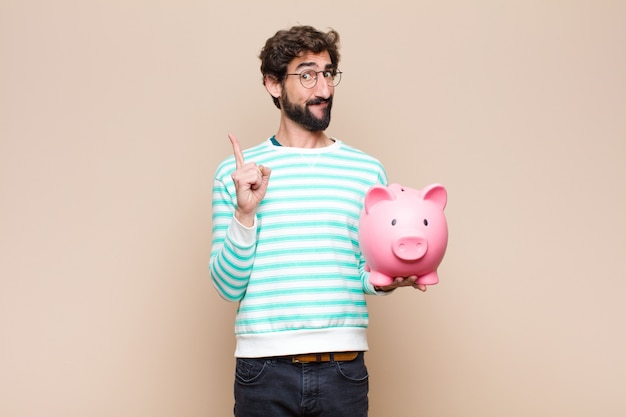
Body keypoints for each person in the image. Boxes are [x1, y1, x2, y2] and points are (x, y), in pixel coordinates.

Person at [210, 25, 426, 417]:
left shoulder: (366, 171)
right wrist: (245, 213)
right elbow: (227, 287)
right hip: (263, 370)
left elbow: (363, 272)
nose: (323, 89)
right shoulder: (237, 173)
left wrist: (389, 279)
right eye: (307, 75)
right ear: (273, 84)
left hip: (344, 370)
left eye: (328, 74)